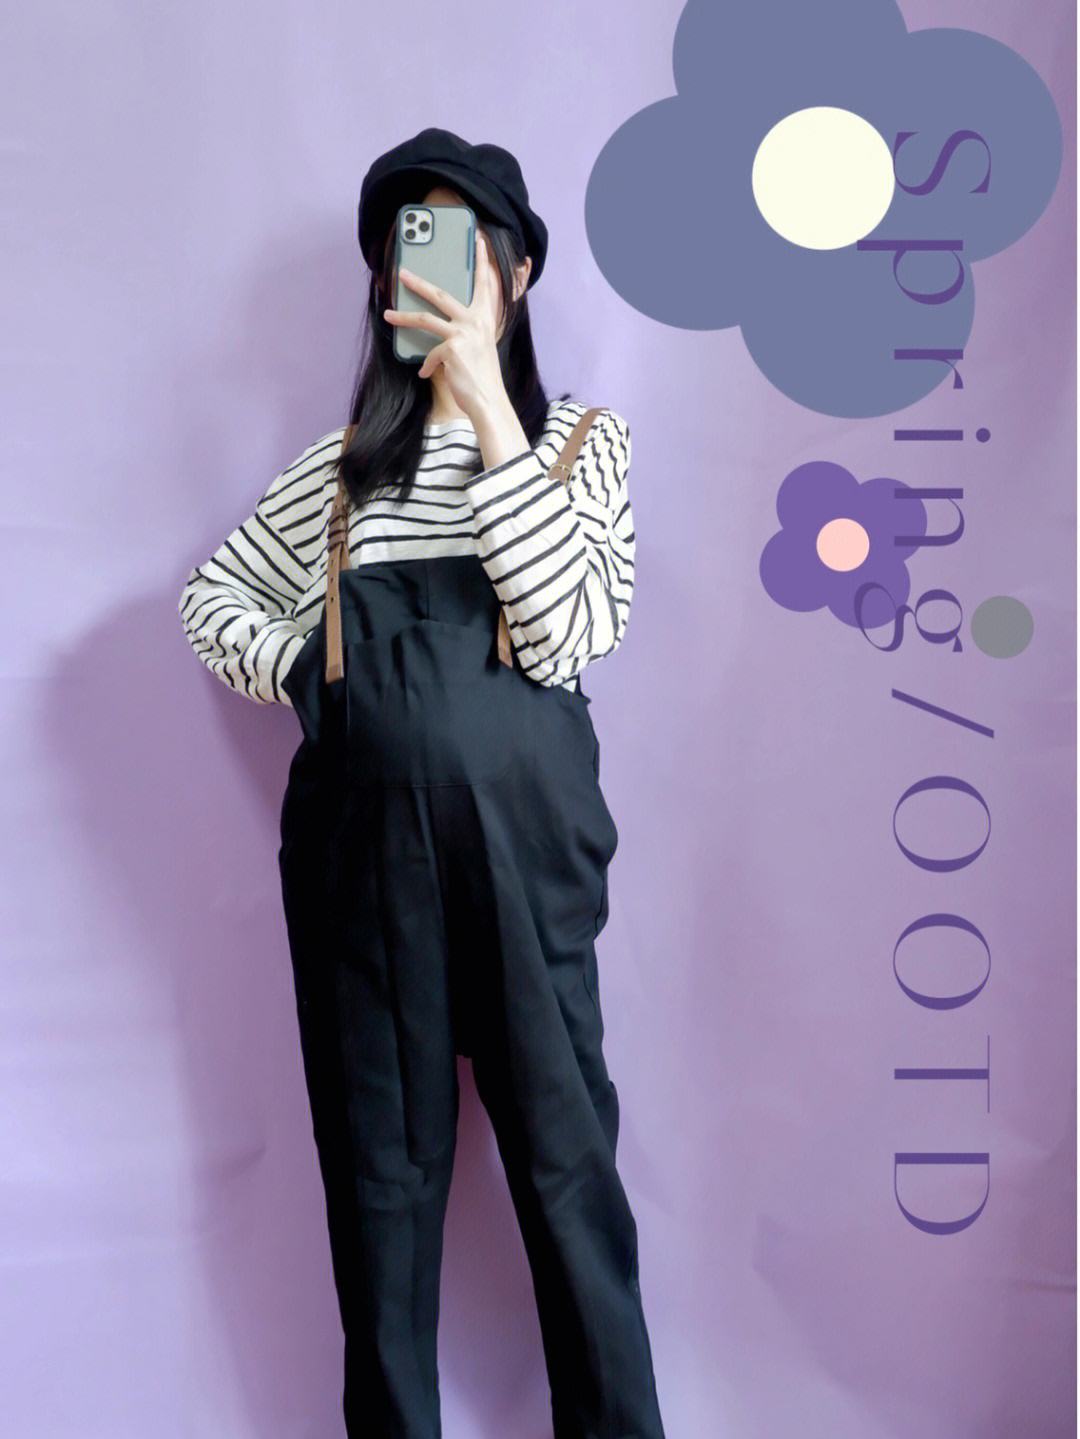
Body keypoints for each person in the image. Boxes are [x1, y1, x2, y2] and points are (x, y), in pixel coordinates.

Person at [177, 127, 666, 1439]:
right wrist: (310, 671)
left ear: (515, 272)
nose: (430, 269)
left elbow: (569, 632)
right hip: (362, 877)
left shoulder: (580, 445)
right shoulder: (335, 476)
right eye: (408, 247)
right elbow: (213, 601)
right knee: (380, 1192)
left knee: (569, 1175)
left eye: (458, 243)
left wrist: (492, 416)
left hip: (528, 870)